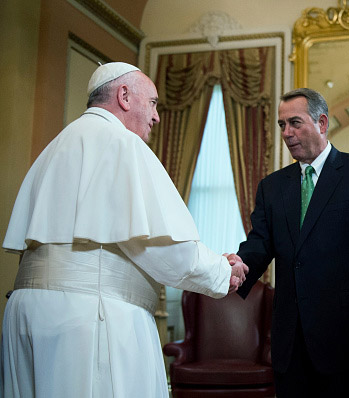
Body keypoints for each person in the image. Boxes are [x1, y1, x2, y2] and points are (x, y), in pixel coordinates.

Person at [1, 62, 248, 397]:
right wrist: (222, 272)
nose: (157, 116)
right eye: (153, 103)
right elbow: (158, 247)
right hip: (89, 318)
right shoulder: (122, 143)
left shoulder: (55, 146)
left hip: (26, 312)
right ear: (125, 96)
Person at [228, 88, 349, 397]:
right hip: (290, 344)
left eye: (295, 122)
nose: (287, 132)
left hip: (347, 343)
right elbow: (259, 243)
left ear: (322, 123)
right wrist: (238, 265)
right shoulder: (272, 187)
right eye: (282, 125)